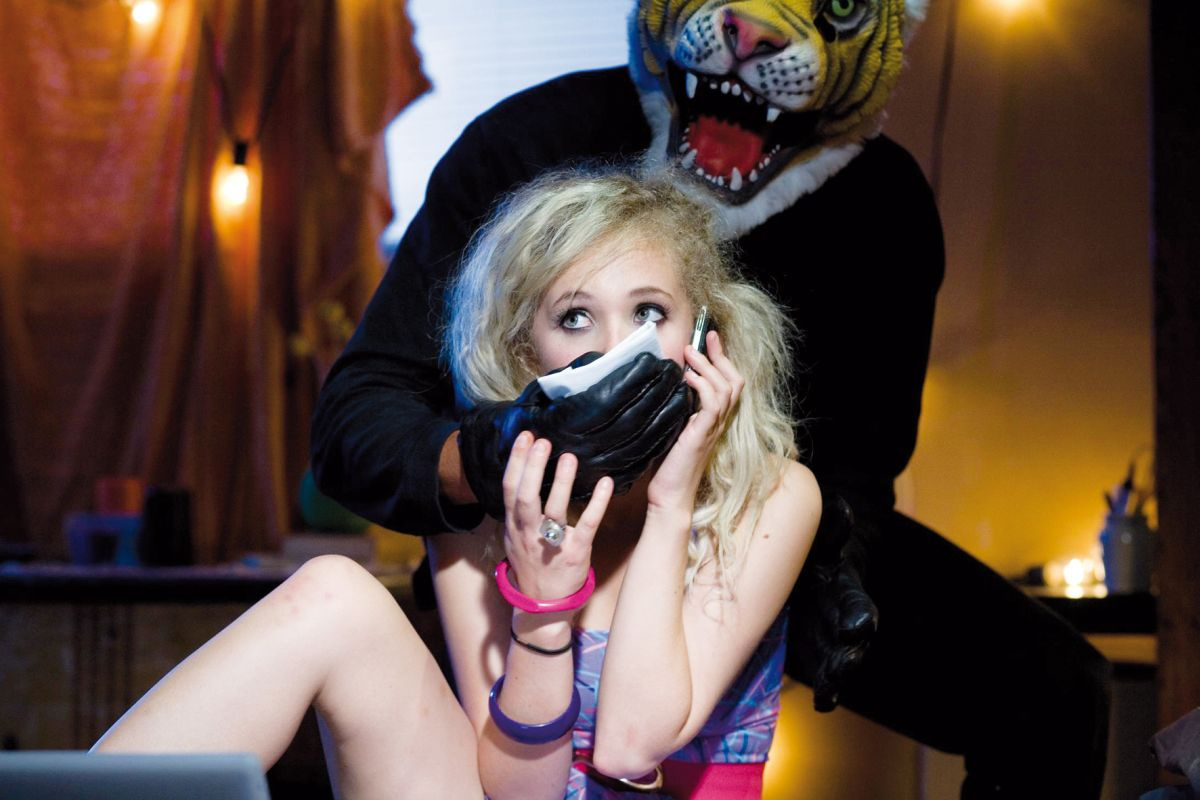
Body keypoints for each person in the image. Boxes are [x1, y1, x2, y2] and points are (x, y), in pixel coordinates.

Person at [311, 3, 1111, 798]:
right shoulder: (524, 142)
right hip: (534, 532)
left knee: (1057, 691)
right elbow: (356, 415)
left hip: (750, 530)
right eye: (579, 315)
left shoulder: (884, 205)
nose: (755, 27)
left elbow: (864, 464)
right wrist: (490, 460)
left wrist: (821, 565)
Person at [94, 170, 820, 800]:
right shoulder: (482, 506)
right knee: (333, 593)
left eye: (649, 313)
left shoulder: (772, 498)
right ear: (526, 352)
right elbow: (517, 790)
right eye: (575, 317)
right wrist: (542, 615)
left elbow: (632, 748)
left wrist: (670, 501)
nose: (616, 349)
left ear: (702, 336)